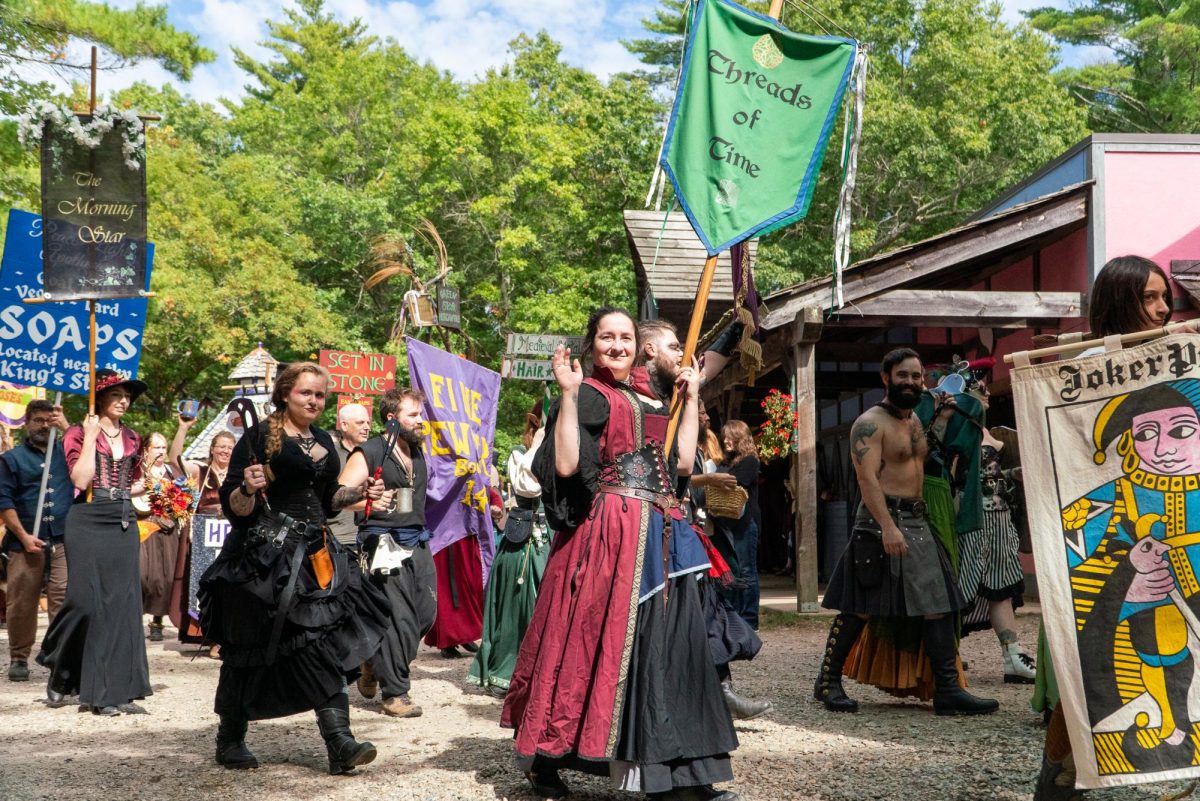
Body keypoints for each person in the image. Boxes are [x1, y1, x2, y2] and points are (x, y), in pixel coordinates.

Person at [502, 307, 739, 801]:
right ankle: (547, 758)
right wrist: (567, 396)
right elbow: (567, 465)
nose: (617, 345)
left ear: (637, 344)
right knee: (588, 645)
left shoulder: (651, 396)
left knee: (666, 649)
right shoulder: (589, 394)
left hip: (658, 529)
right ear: (592, 345)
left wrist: (691, 400)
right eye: (606, 338)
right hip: (608, 535)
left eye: (625, 337)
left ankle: (680, 773)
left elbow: (679, 462)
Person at [1034, 255, 1180, 800]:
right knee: (1087, 679)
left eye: (1165, 297)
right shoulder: (1084, 368)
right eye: (1148, 298)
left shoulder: (1181, 361)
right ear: (1119, 301)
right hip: (1101, 546)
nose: (1163, 309)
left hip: (1178, 539)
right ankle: (1056, 783)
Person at [198, 362, 391, 774]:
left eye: (321, 395)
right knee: (248, 647)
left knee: (319, 640)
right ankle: (230, 737)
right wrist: (248, 487)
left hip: (314, 555)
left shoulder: (322, 438)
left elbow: (328, 498)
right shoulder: (258, 436)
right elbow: (237, 505)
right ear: (286, 393)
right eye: (307, 393)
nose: (315, 401)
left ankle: (339, 742)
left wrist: (360, 492)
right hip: (264, 556)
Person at [813, 348, 998, 716]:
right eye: (904, 376)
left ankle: (947, 689)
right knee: (859, 607)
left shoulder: (914, 421)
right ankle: (828, 682)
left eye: (917, 377)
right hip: (880, 522)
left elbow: (928, 457)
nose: (912, 383)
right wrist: (886, 527)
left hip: (917, 519)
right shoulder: (869, 423)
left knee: (940, 604)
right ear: (886, 378)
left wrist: (947, 416)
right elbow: (867, 481)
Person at [639, 318, 771, 720]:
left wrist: (737, 325)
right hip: (635, 524)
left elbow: (704, 365)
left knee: (705, 606)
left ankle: (721, 691)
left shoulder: (673, 392)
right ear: (648, 351)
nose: (682, 355)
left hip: (677, 523)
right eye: (674, 346)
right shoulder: (628, 397)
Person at [38, 369, 152, 716]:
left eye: (127, 396)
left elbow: (133, 483)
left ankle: (110, 690)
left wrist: (156, 488)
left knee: (121, 606)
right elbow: (81, 477)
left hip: (122, 520)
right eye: (116, 394)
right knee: (85, 601)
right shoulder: (76, 432)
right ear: (100, 398)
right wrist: (88, 436)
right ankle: (60, 663)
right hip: (87, 518)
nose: (123, 400)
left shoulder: (133, 437)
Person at [338, 387, 437, 719]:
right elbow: (338, 495)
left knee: (425, 613)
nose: (420, 421)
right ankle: (395, 694)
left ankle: (371, 659)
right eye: (413, 415)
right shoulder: (370, 451)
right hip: (382, 542)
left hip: (417, 540)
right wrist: (367, 499)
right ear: (392, 419)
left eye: (420, 415)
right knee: (400, 618)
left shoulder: (418, 451)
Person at [468, 402, 551, 697]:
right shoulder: (519, 453)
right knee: (521, 607)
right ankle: (511, 672)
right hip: (526, 542)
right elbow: (529, 488)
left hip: (557, 539)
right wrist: (541, 443)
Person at [0, 400, 71, 682]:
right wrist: (23, 536)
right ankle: (19, 656)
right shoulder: (12, 459)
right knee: (21, 600)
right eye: (38, 420)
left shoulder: (67, 452)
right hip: (24, 539)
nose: (43, 425)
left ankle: (59, 655)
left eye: (48, 420)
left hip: (63, 538)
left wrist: (65, 424)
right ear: (27, 421)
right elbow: (4, 501)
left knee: (62, 599)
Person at [170, 418, 235, 648]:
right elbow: (174, 460)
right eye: (222, 446)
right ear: (212, 449)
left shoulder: (237, 473)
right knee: (205, 583)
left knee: (230, 587)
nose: (226, 451)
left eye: (230, 447)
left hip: (231, 537)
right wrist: (183, 428)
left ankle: (224, 637)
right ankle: (207, 632)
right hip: (204, 536)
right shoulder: (201, 471)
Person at [711, 421, 762, 631]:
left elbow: (735, 482)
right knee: (735, 570)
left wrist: (715, 478)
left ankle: (750, 619)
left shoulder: (750, 461)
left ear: (740, 437)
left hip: (745, 523)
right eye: (724, 436)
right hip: (727, 523)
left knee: (747, 570)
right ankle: (737, 616)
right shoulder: (727, 462)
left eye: (730, 436)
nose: (725, 440)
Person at [137, 432, 180, 642]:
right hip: (145, 527)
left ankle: (157, 621)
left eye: (164, 447)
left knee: (166, 577)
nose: (161, 452)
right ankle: (134, 616)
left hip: (168, 528)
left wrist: (176, 514)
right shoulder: (138, 472)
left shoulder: (171, 472)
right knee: (144, 575)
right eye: (157, 447)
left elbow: (183, 499)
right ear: (146, 450)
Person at [329, 402, 371, 550]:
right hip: (339, 539)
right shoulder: (329, 456)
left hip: (370, 537)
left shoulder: (373, 454)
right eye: (360, 423)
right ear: (344, 426)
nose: (367, 427)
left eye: (368, 422)